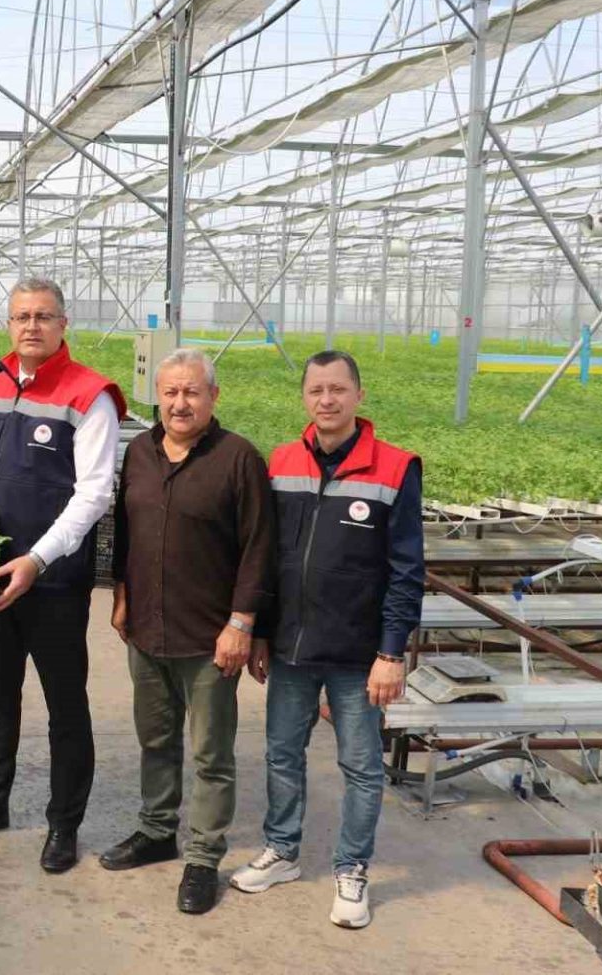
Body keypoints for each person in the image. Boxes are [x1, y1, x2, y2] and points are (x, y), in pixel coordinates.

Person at [230, 349, 423, 930]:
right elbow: (267, 556)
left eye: (338, 389)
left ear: (359, 395)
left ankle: (352, 868)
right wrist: (261, 631)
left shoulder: (395, 468)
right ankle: (282, 850)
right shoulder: (282, 461)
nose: (327, 400)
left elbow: (407, 570)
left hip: (359, 654)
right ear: (304, 398)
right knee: (282, 753)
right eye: (316, 390)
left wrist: (391, 652)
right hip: (291, 646)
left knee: (361, 766)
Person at [0, 278, 124, 874]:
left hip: (54, 584)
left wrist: (37, 560)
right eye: (22, 316)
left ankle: (63, 823)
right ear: (9, 324)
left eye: (44, 316)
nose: (32, 326)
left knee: (65, 706)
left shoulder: (89, 396)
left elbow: (93, 495)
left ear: (63, 324)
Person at [103, 348, 274, 915]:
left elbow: (258, 549)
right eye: (171, 392)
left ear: (213, 397)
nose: (180, 403)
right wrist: (122, 594)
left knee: (210, 753)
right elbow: (124, 530)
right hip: (146, 629)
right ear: (158, 395)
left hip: (209, 637)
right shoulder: (140, 453)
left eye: (192, 392)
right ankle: (157, 830)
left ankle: (203, 856)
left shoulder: (238, 458)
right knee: (155, 738)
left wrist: (241, 624)